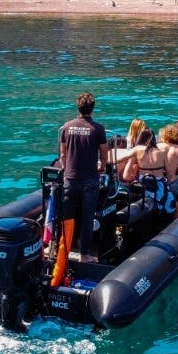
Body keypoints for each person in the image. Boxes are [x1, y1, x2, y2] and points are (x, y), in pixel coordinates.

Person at [58, 92, 109, 262]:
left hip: (70, 179)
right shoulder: (98, 129)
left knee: (67, 218)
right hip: (89, 179)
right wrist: (102, 166)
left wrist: (66, 169)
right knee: (88, 218)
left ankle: (63, 252)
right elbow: (104, 155)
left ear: (78, 107)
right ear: (92, 108)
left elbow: (63, 155)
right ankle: (84, 254)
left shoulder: (66, 127)